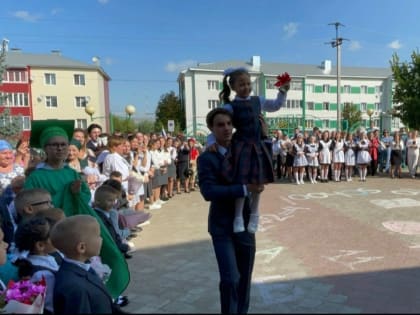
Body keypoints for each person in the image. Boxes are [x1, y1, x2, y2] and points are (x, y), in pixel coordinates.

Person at [23, 120, 130, 300]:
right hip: (52, 233)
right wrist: (66, 193)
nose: (60, 149)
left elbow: (86, 197)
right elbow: (32, 206)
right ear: (45, 148)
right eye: (54, 145)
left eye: (64, 144)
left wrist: (77, 193)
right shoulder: (36, 177)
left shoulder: (71, 172)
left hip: (75, 228)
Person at [198, 108, 264, 314]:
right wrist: (244, 189)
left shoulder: (243, 151)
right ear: (211, 128)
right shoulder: (207, 158)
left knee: (244, 278)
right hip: (222, 226)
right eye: (220, 124)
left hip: (244, 223)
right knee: (230, 279)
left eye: (228, 124)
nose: (226, 128)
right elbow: (208, 191)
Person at [215, 67, 289, 233]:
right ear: (233, 87)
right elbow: (217, 121)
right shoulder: (230, 107)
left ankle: (255, 214)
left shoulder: (258, 100)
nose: (246, 87)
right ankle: (238, 216)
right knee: (241, 181)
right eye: (241, 84)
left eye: (248, 83)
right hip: (241, 147)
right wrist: (211, 141)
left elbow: (276, 105)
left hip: (258, 147)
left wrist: (283, 92)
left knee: (258, 183)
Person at [50, 215, 123, 314]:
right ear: (81, 248)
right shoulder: (73, 287)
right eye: (98, 235)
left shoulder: (84, 267)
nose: (101, 239)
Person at [13, 216, 60, 314]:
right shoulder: (43, 274)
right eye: (52, 234)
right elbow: (49, 306)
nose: (57, 236)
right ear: (40, 245)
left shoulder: (31, 260)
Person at [92, 185, 132, 259]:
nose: (113, 203)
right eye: (109, 201)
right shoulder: (99, 217)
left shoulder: (107, 213)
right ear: (98, 201)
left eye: (114, 200)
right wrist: (122, 247)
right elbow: (109, 237)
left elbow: (114, 233)